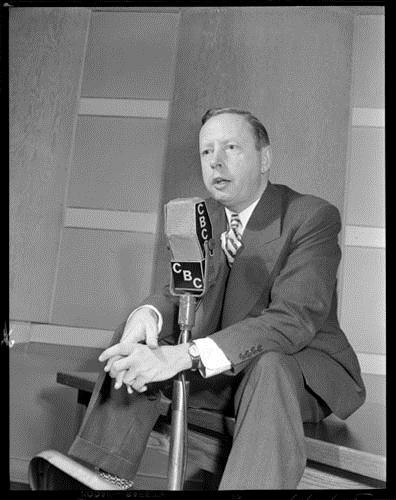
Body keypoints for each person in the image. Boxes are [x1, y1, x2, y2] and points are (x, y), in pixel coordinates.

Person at [68, 107, 366, 490]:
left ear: (265, 158)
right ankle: (98, 476)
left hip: (293, 371)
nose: (216, 162)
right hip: (226, 370)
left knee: (270, 366)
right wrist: (148, 315)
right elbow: (179, 292)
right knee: (139, 337)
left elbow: (292, 321)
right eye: (207, 152)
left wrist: (185, 355)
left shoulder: (311, 217)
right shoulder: (203, 215)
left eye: (231, 147)